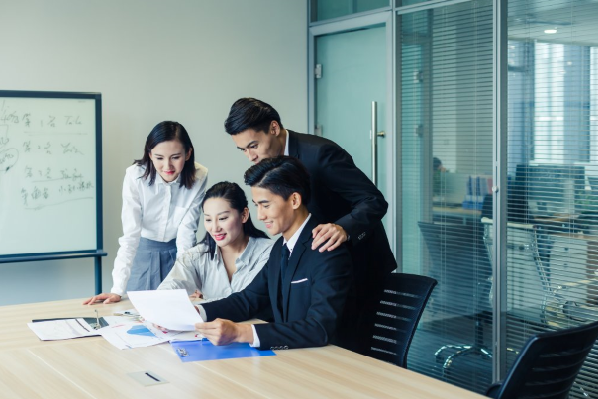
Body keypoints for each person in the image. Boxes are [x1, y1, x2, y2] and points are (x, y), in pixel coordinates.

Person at [222, 97, 396, 353]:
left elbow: (373, 200)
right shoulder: (271, 168)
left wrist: (343, 228)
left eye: (253, 146)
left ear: (273, 128)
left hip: (358, 263)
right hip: (318, 261)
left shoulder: (321, 155)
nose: (250, 156)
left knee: (351, 350)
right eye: (243, 150)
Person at [195, 156, 352, 350]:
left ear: (294, 200)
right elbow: (248, 300)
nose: (260, 216)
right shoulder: (280, 248)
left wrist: (242, 332)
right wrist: (197, 312)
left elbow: (319, 328)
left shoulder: (326, 249)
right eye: (257, 205)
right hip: (292, 358)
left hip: (329, 363)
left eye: (266, 205)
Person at [83, 121, 208, 305]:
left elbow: (186, 234)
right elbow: (130, 236)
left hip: (180, 254)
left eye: (175, 157)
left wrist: (190, 279)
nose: (167, 166)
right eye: (159, 157)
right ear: (149, 154)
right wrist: (117, 289)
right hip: (142, 253)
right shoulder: (135, 176)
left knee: (181, 313)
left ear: (188, 153)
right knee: (137, 316)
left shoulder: (199, 176)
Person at [157, 181, 273, 302]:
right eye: (208, 219)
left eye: (222, 218)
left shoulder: (268, 253)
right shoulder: (196, 256)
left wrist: (201, 304)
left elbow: (250, 303)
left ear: (244, 215)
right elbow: (166, 291)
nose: (215, 228)